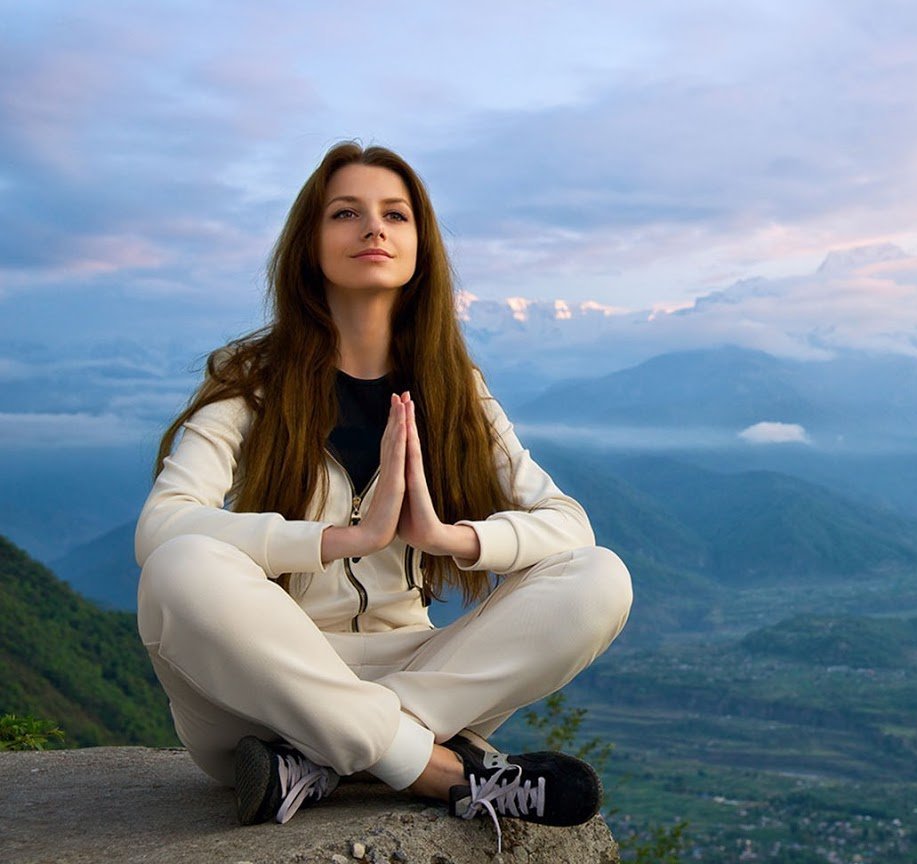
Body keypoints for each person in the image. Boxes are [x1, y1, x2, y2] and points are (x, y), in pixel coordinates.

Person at [134, 141, 632, 848]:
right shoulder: (249, 382)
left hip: (417, 671)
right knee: (178, 568)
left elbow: (568, 526)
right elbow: (162, 527)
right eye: (347, 213)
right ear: (310, 244)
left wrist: (448, 538)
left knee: (601, 577)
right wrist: (336, 541)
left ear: (420, 246)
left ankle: (322, 758)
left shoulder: (455, 387)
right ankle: (438, 772)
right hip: (264, 682)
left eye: (395, 215)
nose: (374, 229)